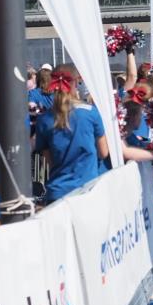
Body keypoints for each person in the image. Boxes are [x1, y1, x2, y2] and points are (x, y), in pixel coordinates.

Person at [34, 66, 109, 204]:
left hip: (57, 193)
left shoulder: (44, 119)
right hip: (87, 191)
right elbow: (103, 152)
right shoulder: (90, 112)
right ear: (75, 83)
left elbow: (50, 161)